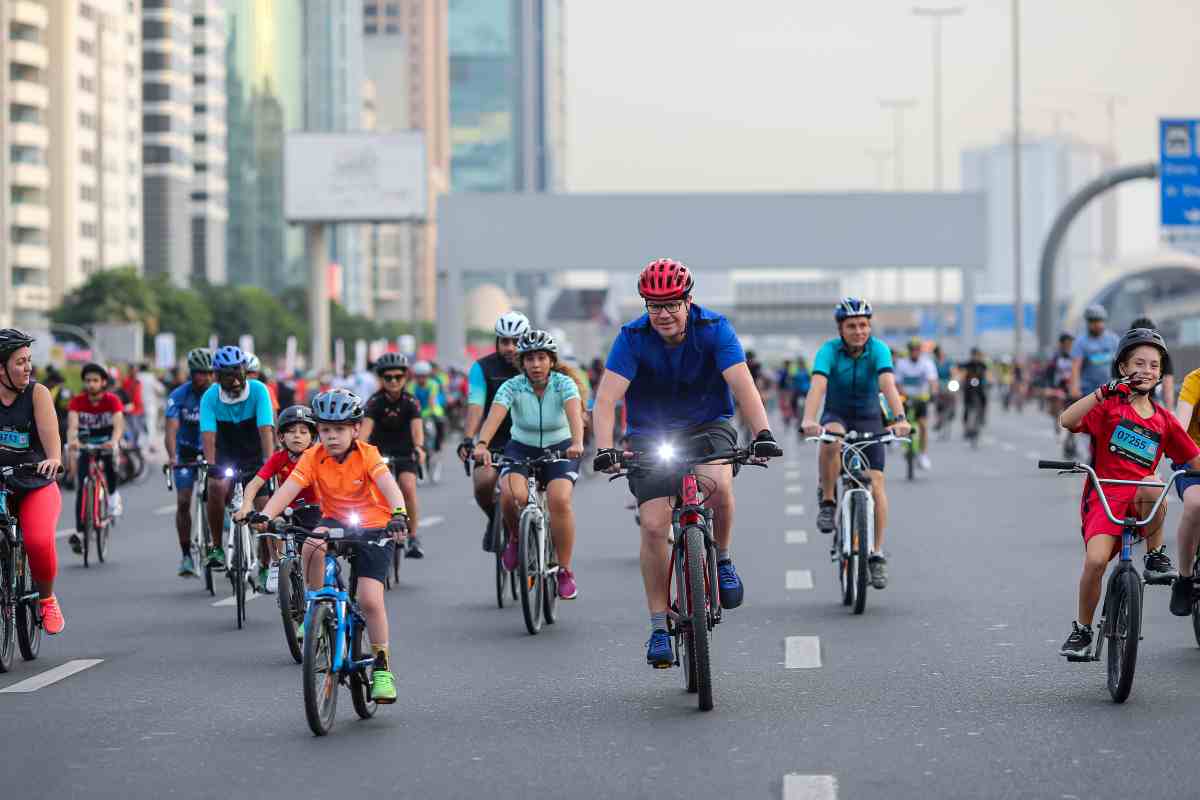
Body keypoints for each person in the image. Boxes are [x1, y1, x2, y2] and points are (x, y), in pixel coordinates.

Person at [590, 258, 782, 667]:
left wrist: (763, 434)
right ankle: (659, 625)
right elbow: (606, 399)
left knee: (718, 483)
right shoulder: (631, 337)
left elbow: (742, 384)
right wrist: (604, 446)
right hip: (649, 433)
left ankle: (724, 560)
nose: (663, 314)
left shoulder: (715, 330)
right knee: (656, 526)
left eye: (671, 304)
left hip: (707, 425)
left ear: (689, 301)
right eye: (654, 305)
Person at [252, 389, 408, 704]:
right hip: (335, 519)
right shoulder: (313, 456)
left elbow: (390, 487)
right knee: (310, 543)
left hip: (375, 526)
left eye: (339, 429)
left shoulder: (368, 454)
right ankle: (316, 605)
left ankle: (381, 668)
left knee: (369, 599)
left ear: (355, 429)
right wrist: (266, 515)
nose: (331, 436)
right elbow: (287, 489)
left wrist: (399, 514)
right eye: (325, 429)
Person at [1057, 328, 1199, 657]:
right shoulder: (1108, 406)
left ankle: (1155, 554)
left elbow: (1193, 459)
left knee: (1152, 482)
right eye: (1139, 363)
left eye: (1154, 365)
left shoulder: (1165, 420)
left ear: (1161, 372)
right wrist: (1102, 392)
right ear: (1123, 367)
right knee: (1094, 562)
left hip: (1143, 500)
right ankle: (1082, 629)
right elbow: (1067, 419)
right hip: (1105, 498)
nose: (1147, 371)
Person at [800, 298, 911, 590]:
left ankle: (876, 554)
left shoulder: (879, 349)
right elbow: (818, 386)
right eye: (852, 326)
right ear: (840, 328)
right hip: (837, 414)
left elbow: (887, 384)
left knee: (876, 484)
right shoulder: (828, 351)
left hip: (869, 417)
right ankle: (827, 500)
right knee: (831, 439)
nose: (859, 331)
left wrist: (900, 419)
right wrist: (809, 419)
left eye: (863, 325)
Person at [473, 330, 586, 599]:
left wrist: (577, 443)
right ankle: (515, 537)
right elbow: (494, 416)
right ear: (521, 362)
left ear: (551, 360)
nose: (536, 364)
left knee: (559, 500)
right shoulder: (512, 386)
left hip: (561, 448)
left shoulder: (564, 384)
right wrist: (482, 444)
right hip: (520, 448)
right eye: (530, 359)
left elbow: (575, 417)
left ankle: (564, 570)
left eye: (541, 358)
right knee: (511, 495)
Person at [0, 329, 66, 633]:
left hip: (34, 480)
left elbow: (53, 446)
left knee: (39, 541)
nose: (28, 368)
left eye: (29, 360)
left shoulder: (37, 393)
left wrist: (52, 460)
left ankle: (47, 599)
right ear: (1, 368)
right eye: (20, 362)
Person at [458, 311, 531, 551]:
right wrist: (469, 439)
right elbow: (476, 405)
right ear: (497, 341)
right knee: (483, 483)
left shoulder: (536, 363)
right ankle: (494, 519)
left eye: (516, 341)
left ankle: (544, 533)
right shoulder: (482, 367)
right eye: (504, 341)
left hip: (532, 439)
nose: (510, 347)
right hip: (494, 440)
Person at [199, 345, 275, 568]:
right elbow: (208, 435)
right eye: (227, 374)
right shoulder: (210, 397)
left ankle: (265, 564)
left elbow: (265, 429)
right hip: (225, 453)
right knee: (215, 487)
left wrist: (269, 463)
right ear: (217, 376)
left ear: (244, 371)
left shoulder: (259, 390)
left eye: (237, 372)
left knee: (264, 506)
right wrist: (212, 465)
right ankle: (216, 547)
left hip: (254, 453)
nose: (233, 379)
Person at [235, 404, 320, 589]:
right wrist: (246, 505)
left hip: (315, 509)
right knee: (270, 521)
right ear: (281, 437)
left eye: (303, 432)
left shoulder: (319, 457)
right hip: (287, 509)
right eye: (291, 431)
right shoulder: (277, 458)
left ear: (313, 437)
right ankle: (276, 564)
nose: (297, 435)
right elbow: (255, 484)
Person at [361, 353, 427, 559]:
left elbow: (417, 430)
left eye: (398, 377)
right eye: (388, 377)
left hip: (405, 452)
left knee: (407, 486)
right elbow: (364, 431)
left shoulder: (411, 401)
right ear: (381, 378)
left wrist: (419, 448)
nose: (393, 381)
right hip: (378, 454)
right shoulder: (374, 402)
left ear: (405, 377)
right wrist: (358, 450)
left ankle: (414, 536)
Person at [164, 348, 215, 576]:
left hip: (212, 452)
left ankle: (218, 542)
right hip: (185, 453)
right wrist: (172, 456)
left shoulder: (217, 394)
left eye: (207, 373)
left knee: (219, 493)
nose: (203, 377)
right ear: (191, 373)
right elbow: (171, 431)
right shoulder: (178, 396)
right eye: (198, 373)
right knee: (183, 501)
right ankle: (186, 556)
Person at [66, 361, 125, 553]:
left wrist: (114, 441)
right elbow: (72, 426)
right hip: (87, 444)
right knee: (82, 485)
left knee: (110, 464)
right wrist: (73, 441)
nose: (91, 384)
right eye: (88, 380)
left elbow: (118, 425)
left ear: (103, 382)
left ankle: (114, 497)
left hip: (107, 442)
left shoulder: (112, 400)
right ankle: (81, 532)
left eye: (95, 380)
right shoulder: (77, 401)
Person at [1170, 353, 1200, 615]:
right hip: (1193, 462)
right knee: (1195, 505)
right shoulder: (1195, 380)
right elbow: (1180, 426)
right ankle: (1185, 578)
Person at [893, 337, 939, 470]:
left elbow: (932, 381)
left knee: (923, 425)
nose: (914, 352)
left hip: (921, 398)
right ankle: (903, 445)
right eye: (912, 350)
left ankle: (923, 454)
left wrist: (933, 394)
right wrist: (903, 395)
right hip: (905, 398)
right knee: (901, 422)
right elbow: (897, 383)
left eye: (917, 349)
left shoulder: (927, 363)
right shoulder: (902, 364)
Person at [1129, 316, 1175, 403]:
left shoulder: (1163, 355)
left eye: (1153, 365)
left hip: (1152, 398)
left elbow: (1167, 385)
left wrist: (1169, 412)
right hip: (1129, 398)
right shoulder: (1122, 355)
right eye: (1139, 363)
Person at [410, 361, 446, 463]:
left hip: (432, 410)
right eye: (419, 376)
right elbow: (412, 401)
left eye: (424, 376)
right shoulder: (411, 385)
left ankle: (438, 445)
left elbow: (432, 400)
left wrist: (428, 412)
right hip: (417, 411)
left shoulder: (433, 384)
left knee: (440, 422)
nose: (421, 379)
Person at [957, 347, 989, 432]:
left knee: (984, 400)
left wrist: (989, 381)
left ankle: (982, 416)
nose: (975, 357)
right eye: (974, 355)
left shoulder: (982, 365)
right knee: (966, 406)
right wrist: (961, 380)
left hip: (979, 387)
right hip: (969, 387)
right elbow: (961, 371)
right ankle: (966, 424)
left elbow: (988, 374)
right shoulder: (968, 364)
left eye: (977, 355)